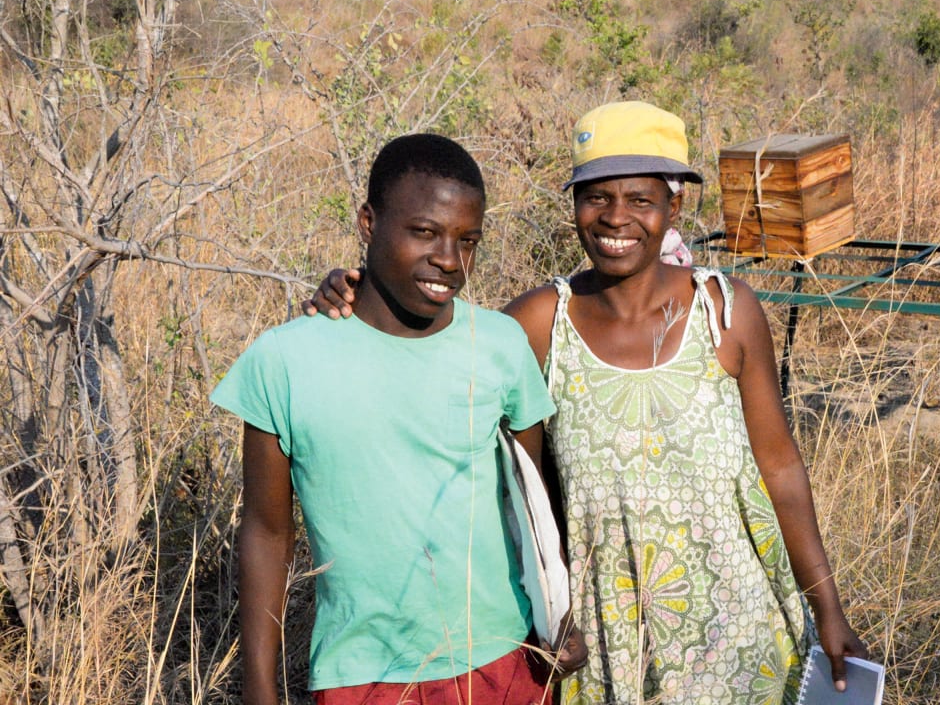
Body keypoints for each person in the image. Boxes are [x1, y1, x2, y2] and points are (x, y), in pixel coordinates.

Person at [304, 102, 869, 704]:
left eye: (640, 200)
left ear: (673, 209)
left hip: (741, 629)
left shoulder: (726, 314)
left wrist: (827, 608)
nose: (616, 218)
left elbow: (780, 468)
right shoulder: (542, 323)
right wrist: (353, 294)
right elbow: (432, 342)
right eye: (595, 197)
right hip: (605, 640)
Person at [213, 133, 585, 705]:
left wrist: (555, 619)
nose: (450, 260)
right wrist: (260, 691)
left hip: (503, 660)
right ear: (368, 223)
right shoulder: (284, 360)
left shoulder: (500, 345)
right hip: (362, 672)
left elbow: (533, 504)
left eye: (469, 240)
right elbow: (267, 533)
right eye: (425, 232)